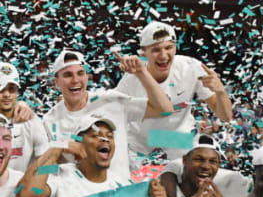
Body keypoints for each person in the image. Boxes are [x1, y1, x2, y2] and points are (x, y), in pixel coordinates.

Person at [42, 49, 173, 184]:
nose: (75, 80)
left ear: (87, 77)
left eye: (80, 73)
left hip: (120, 194)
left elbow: (164, 110)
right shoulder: (49, 121)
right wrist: (62, 146)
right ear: (56, 82)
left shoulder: (111, 101)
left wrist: (141, 72)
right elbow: (48, 170)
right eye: (68, 75)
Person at [115, 21, 233, 164]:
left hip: (177, 141)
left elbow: (226, 116)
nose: (164, 56)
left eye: (169, 47)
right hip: (139, 144)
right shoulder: (132, 77)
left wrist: (220, 91)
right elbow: (112, 112)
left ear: (176, 47)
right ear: (143, 52)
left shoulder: (191, 68)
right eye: (156, 50)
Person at [18, 113, 166, 197]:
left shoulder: (122, 184)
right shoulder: (60, 176)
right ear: (78, 143)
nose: (105, 140)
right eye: (96, 135)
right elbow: (27, 195)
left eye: (109, 136)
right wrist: (56, 149)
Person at [0, 62, 48, 171]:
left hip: (24, 186)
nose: (7, 94)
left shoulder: (31, 121)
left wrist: (33, 184)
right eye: (0, 89)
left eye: (12, 89)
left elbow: (46, 164)